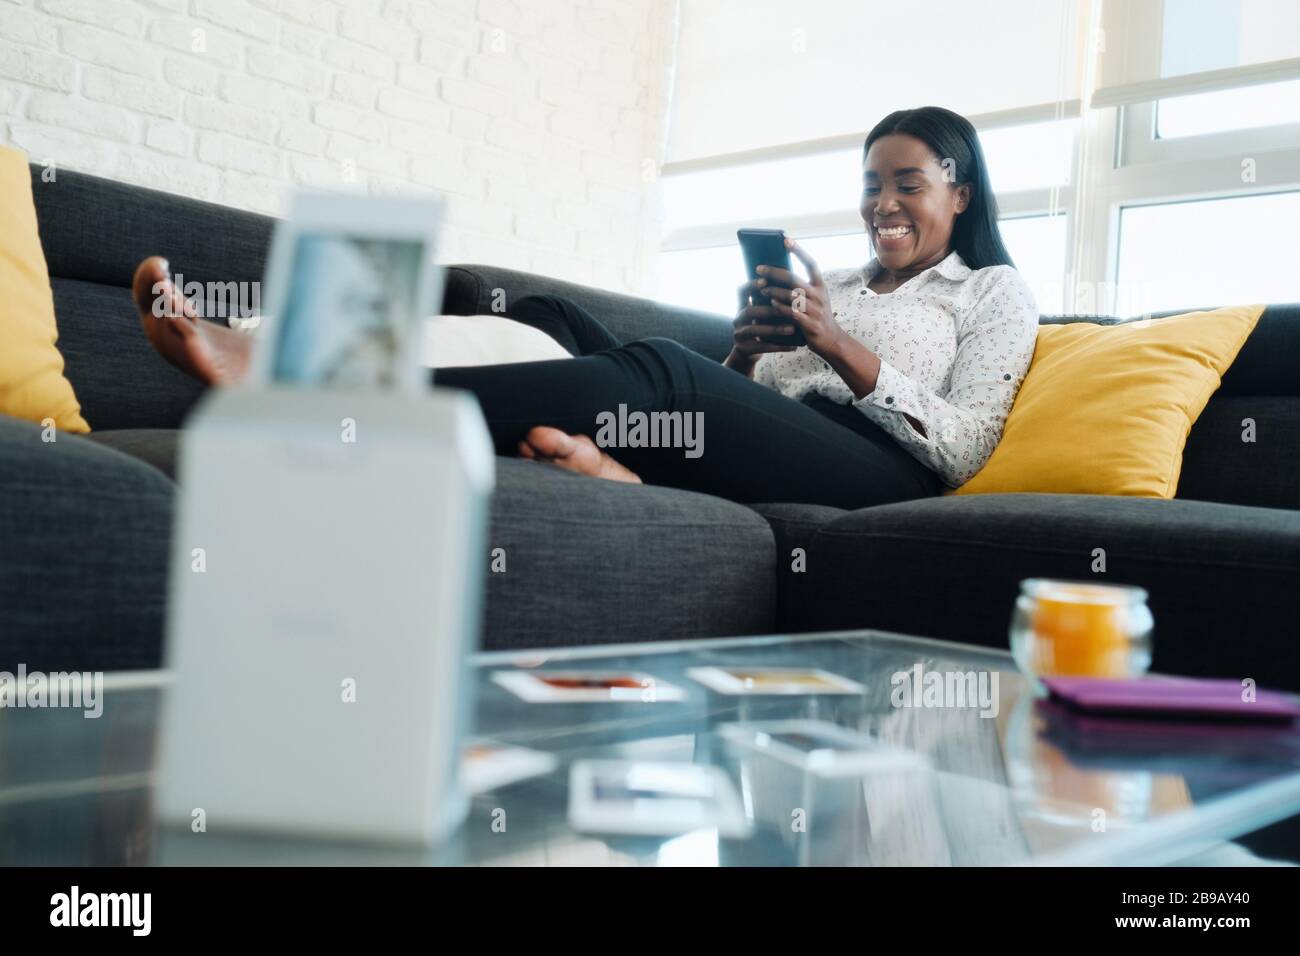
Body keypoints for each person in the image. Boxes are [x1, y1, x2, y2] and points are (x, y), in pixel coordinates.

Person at [130, 106, 1038, 510]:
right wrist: (750, 355)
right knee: (551, 314)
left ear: (961, 194)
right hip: (778, 443)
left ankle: (313, 382)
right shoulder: (833, 286)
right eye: (871, 185)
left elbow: (964, 450)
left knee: (662, 376)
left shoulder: (995, 292)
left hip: (883, 478)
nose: (883, 204)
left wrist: (838, 347)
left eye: (906, 184)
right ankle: (621, 467)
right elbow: (737, 408)